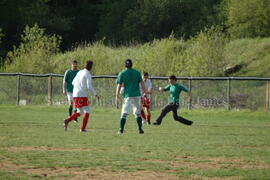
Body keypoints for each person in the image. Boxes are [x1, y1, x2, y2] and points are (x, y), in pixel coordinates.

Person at [64, 60, 99, 132]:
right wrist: (95, 94)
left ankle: (67, 120)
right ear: (91, 67)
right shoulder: (88, 74)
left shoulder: (79, 72)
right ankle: (82, 129)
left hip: (75, 94)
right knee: (87, 111)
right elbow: (89, 86)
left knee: (80, 112)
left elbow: (73, 83)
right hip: (81, 95)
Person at [115, 59, 147, 134]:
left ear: (125, 65)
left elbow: (119, 85)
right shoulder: (137, 72)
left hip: (128, 95)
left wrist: (117, 96)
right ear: (132, 64)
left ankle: (121, 129)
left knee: (124, 113)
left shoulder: (122, 73)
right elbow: (142, 83)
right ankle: (140, 129)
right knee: (137, 112)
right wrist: (145, 92)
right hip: (137, 95)